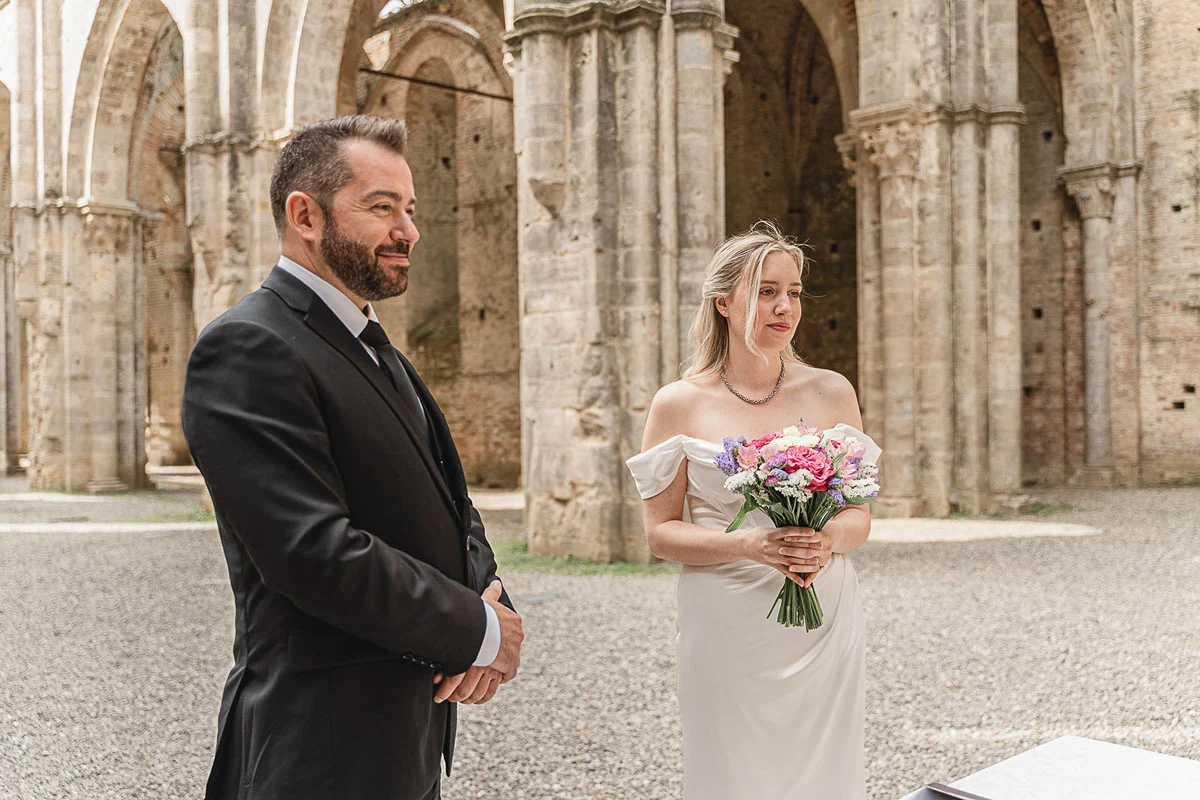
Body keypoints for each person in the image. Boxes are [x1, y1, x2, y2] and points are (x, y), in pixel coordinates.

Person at [182, 115, 524, 800]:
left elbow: (447, 498)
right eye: (381, 208)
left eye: (411, 209)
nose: (409, 231)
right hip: (318, 746)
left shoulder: (370, 342)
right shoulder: (249, 346)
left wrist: (488, 596)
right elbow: (313, 552)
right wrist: (476, 628)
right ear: (304, 215)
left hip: (402, 736)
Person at [626, 222, 880, 799]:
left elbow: (859, 516)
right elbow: (660, 534)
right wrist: (748, 545)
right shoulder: (679, 404)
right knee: (731, 769)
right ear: (723, 302)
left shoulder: (832, 391)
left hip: (822, 612)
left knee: (824, 769)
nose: (784, 306)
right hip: (726, 620)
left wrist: (828, 540)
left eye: (793, 292)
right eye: (766, 291)